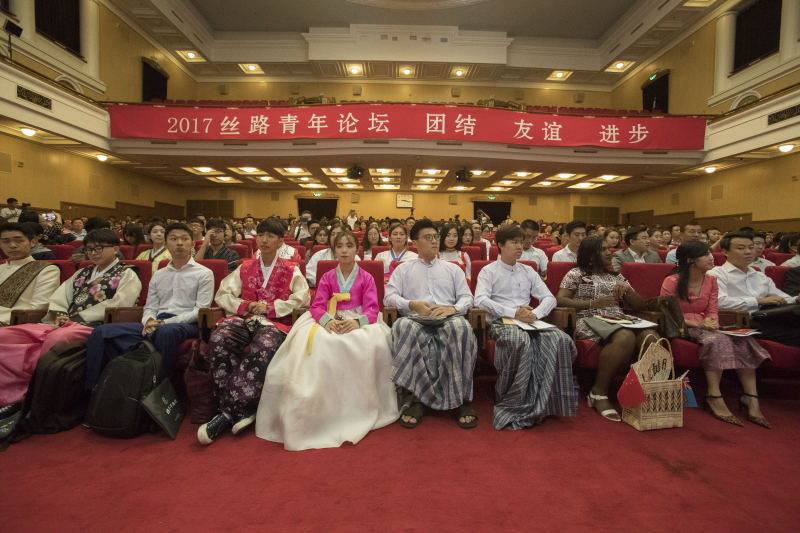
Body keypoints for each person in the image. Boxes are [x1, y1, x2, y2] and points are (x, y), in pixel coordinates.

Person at [255, 229, 399, 450]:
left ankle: (357, 406)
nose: (344, 250)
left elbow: (372, 308)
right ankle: (319, 405)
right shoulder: (328, 277)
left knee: (368, 341)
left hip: (358, 319)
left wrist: (357, 322)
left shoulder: (367, 277)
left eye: (349, 246)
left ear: (357, 250)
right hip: (330, 318)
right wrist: (327, 321)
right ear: (334, 250)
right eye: (339, 246)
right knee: (319, 342)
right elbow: (317, 306)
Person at [0, 229, 141, 413]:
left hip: (93, 325)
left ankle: (30, 395)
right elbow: (61, 297)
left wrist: (74, 318)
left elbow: (120, 303)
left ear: (115, 249)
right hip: (61, 323)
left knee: (58, 338)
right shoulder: (82, 272)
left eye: (99, 248)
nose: (94, 253)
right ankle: (6, 392)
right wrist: (59, 314)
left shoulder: (127, 273)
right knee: (5, 334)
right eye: (89, 249)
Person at [198, 219, 310, 445]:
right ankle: (241, 408)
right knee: (220, 337)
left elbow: (302, 298)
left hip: (274, 323)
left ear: (280, 242)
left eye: (270, 236)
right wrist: (246, 305)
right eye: (261, 235)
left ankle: (226, 412)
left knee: (266, 345)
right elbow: (223, 294)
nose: (264, 240)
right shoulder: (245, 267)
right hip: (245, 318)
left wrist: (270, 307)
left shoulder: (291, 269)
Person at [85, 223, 214, 390]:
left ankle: (161, 389)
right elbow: (150, 306)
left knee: (165, 331)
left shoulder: (204, 273)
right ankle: (96, 388)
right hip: (157, 322)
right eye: (173, 239)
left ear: (193, 244)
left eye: (184, 239)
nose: (179, 243)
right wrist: (149, 321)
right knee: (101, 332)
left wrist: (164, 323)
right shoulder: (159, 274)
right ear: (166, 244)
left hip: (187, 324)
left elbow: (200, 310)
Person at [474, 225, 576, 430]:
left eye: (521, 242)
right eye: (514, 242)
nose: (520, 247)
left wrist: (535, 314)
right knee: (518, 341)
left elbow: (549, 298)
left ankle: (544, 400)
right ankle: (513, 400)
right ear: (500, 244)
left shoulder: (528, 270)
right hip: (502, 322)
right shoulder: (489, 271)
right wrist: (514, 313)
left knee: (561, 339)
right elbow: (481, 300)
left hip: (529, 320)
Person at [660, 241, 771, 428]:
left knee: (744, 340)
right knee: (717, 340)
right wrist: (699, 324)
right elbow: (669, 313)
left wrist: (712, 321)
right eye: (705, 254)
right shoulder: (672, 281)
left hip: (706, 325)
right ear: (691, 260)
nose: (712, 258)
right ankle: (714, 395)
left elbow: (712, 310)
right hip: (681, 326)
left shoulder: (711, 280)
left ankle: (751, 397)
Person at [385, 219, 478, 429]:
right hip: (416, 319)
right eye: (428, 237)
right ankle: (417, 399)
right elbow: (388, 297)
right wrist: (412, 304)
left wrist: (452, 309)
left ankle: (460, 399)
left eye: (436, 237)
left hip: (448, 317)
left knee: (462, 328)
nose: (435, 241)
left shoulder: (453, 269)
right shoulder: (403, 270)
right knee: (402, 327)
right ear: (415, 243)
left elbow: (467, 298)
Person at [556, 236, 658, 422]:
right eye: (602, 250)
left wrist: (628, 290)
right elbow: (560, 299)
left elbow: (639, 306)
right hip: (588, 318)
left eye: (608, 249)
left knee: (651, 337)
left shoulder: (616, 276)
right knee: (625, 336)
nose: (609, 252)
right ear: (590, 254)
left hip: (618, 318)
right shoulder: (576, 274)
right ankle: (598, 392)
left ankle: (637, 390)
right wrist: (591, 303)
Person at [708, 232, 800, 349]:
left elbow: (781, 297)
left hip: (767, 318)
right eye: (741, 248)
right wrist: (759, 301)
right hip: (739, 323)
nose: (748, 252)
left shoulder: (759, 276)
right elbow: (720, 302)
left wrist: (796, 299)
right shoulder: (717, 273)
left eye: (751, 248)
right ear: (725, 251)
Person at [0, 223, 61, 326]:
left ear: (32, 242)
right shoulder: (1, 268)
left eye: (19, 241)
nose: (12, 245)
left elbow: (38, 309)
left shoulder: (47, 270)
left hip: (16, 325)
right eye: (6, 242)